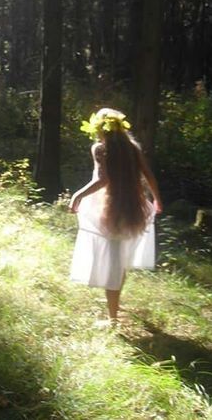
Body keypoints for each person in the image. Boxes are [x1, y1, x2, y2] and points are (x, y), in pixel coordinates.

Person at [69, 108, 162, 326]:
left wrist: (77, 196)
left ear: (99, 129)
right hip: (131, 207)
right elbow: (148, 175)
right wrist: (157, 199)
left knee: (112, 261)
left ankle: (112, 318)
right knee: (119, 261)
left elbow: (103, 180)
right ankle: (115, 308)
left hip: (109, 208)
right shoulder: (132, 147)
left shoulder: (101, 148)